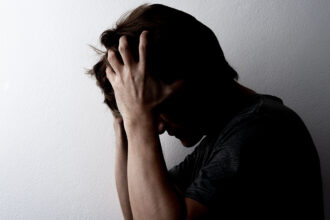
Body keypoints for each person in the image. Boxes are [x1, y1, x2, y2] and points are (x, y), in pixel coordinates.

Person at [87, 3, 324, 220]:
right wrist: (125, 121)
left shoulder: (261, 128)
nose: (156, 127)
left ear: (192, 78)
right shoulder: (221, 137)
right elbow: (137, 212)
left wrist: (139, 120)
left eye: (156, 107)